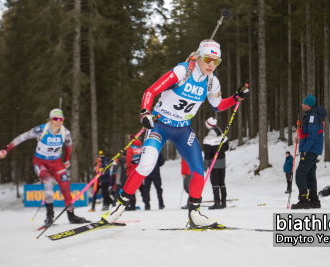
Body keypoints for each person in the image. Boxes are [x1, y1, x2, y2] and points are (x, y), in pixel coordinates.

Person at [101, 39, 249, 228]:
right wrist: (145, 112)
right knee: (146, 165)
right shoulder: (182, 72)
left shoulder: (212, 82)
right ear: (198, 57)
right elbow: (150, 91)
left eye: (216, 61)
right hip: (159, 125)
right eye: (208, 59)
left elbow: (218, 106)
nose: (211, 64)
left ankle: (195, 215)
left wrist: (236, 98)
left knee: (198, 171)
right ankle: (118, 208)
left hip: (182, 129)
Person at [0, 109, 89, 224]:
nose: (58, 122)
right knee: (48, 181)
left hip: (56, 162)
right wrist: (6, 150)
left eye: (61, 119)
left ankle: (71, 215)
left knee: (65, 185)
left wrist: (66, 160)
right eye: (55, 119)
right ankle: (50, 215)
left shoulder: (65, 132)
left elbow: (69, 145)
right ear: (50, 120)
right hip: (40, 161)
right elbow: (21, 137)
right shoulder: (41, 130)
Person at [292, 95, 327, 209]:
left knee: (300, 173)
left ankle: (303, 200)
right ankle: (314, 200)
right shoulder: (311, 116)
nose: (302, 105)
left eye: (303, 103)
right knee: (310, 174)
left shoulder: (312, 117)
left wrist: (305, 150)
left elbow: (313, 135)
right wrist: (300, 139)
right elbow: (308, 134)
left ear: (308, 105)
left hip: (310, 150)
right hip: (311, 149)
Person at [203, 117, 229, 209]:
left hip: (213, 164)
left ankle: (217, 203)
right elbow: (226, 148)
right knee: (222, 182)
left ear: (208, 126)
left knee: (215, 183)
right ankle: (223, 203)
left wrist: (205, 167)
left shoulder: (207, 139)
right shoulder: (224, 136)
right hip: (222, 162)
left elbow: (207, 155)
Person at [126, 134, 144, 211]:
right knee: (141, 187)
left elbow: (128, 159)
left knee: (131, 187)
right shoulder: (141, 146)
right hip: (140, 168)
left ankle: (132, 205)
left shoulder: (130, 147)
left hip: (132, 169)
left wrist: (127, 165)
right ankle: (147, 203)